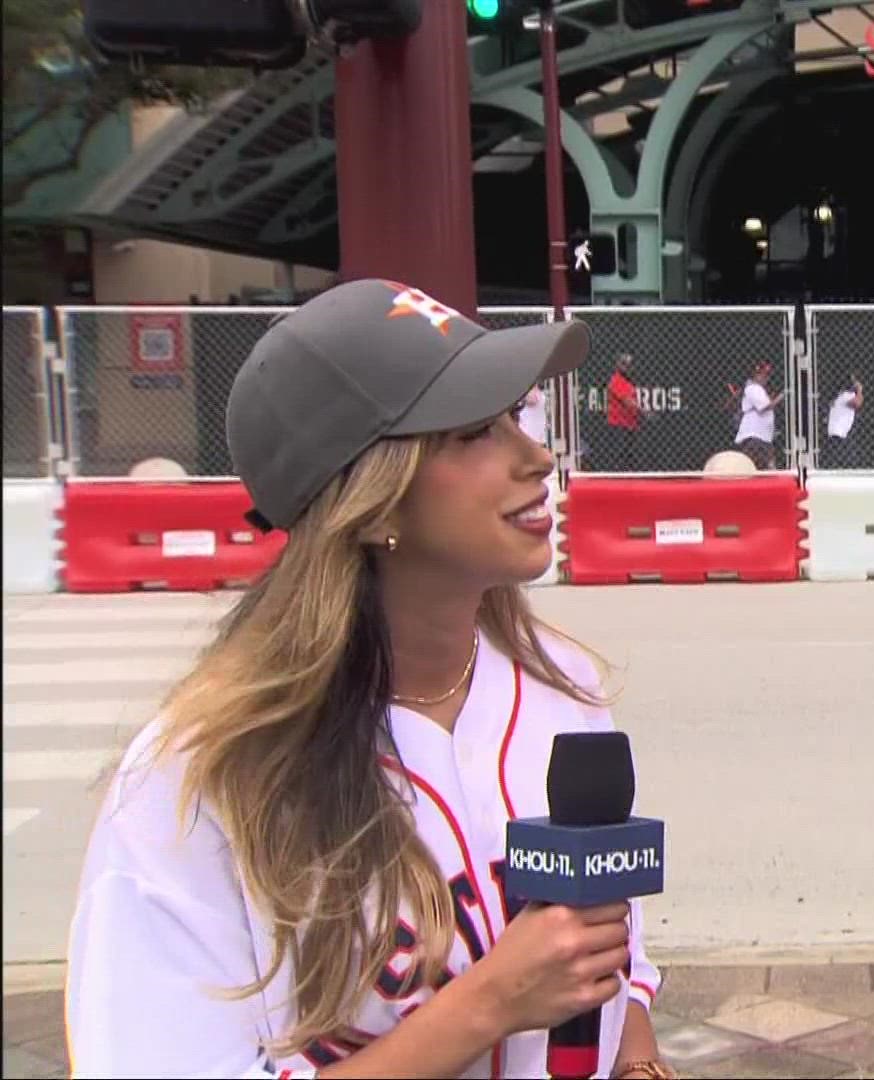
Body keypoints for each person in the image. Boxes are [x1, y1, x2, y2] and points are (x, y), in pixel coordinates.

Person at [65, 279, 677, 1080]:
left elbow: (614, 955)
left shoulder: (561, 685)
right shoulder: (198, 778)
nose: (536, 456)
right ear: (374, 497)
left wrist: (637, 1063)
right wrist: (488, 1003)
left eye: (514, 418)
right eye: (472, 432)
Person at [733, 360, 784, 469]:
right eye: (763, 375)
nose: (766, 378)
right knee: (754, 461)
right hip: (754, 433)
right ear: (756, 375)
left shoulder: (758, 389)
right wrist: (782, 396)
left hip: (762, 434)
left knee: (765, 460)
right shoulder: (753, 388)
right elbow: (765, 407)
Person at [604, 353, 643, 471]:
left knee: (629, 456)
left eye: (629, 365)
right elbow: (627, 401)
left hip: (629, 424)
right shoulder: (616, 380)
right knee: (620, 455)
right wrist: (645, 411)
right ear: (618, 365)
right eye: (624, 364)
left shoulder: (628, 381)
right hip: (619, 425)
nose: (627, 368)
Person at [822, 374, 863, 469]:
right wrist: (860, 390)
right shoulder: (846, 395)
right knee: (847, 461)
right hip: (838, 434)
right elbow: (858, 403)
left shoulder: (840, 395)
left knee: (841, 459)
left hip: (838, 433)